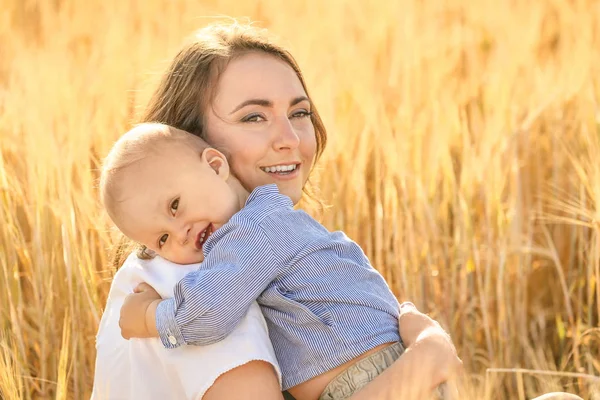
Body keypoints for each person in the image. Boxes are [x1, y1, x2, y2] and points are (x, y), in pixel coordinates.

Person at [93, 21, 463, 400]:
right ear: (203, 144)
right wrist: (427, 357)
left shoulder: (254, 233)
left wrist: (428, 357)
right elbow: (206, 315)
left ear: (214, 164)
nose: (290, 140)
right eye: (253, 117)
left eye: (299, 113)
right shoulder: (175, 274)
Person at [100, 122, 409, 399]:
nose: (180, 234)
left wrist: (150, 317)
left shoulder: (255, 229)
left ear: (215, 165)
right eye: (162, 239)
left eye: (175, 206)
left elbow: (211, 311)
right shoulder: (257, 227)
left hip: (368, 377)